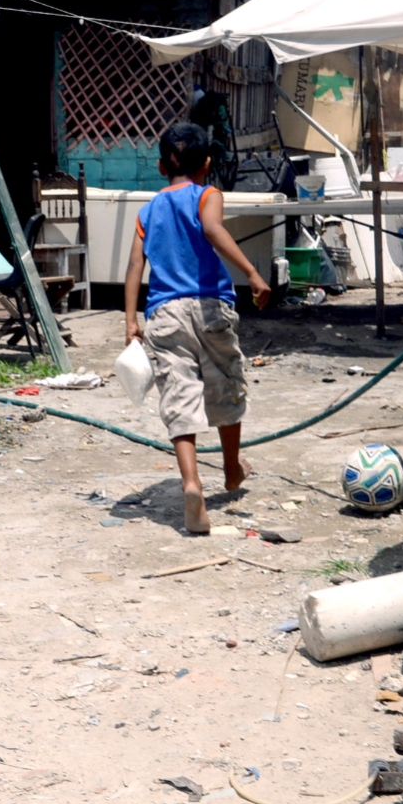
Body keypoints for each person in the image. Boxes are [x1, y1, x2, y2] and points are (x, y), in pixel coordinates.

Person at [124, 123, 271, 534]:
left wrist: (130, 320)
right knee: (226, 383)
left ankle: (191, 484)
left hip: (165, 314)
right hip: (209, 307)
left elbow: (136, 267)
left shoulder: (147, 210)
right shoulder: (208, 195)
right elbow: (212, 228)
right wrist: (253, 274)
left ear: (159, 166)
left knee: (179, 395)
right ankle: (230, 470)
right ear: (207, 165)